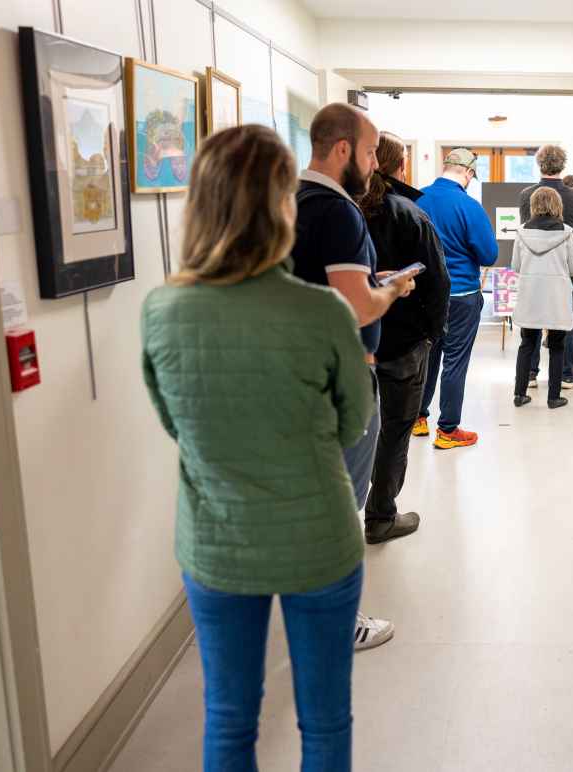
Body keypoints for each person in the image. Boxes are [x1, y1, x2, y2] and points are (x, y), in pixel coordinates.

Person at [141, 125, 373, 771]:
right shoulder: (323, 312)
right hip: (318, 542)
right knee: (325, 722)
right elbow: (356, 420)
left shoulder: (162, 309)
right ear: (280, 204)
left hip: (217, 545)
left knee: (229, 717)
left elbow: (174, 422)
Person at [290, 103, 416, 651]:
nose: (372, 164)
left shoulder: (290, 201)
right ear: (343, 150)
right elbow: (356, 309)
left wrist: (370, 279)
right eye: (369, 153)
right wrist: (392, 289)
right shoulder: (339, 212)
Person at [359, 132, 451, 543]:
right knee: (395, 428)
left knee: (349, 429)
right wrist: (431, 335)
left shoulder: (344, 210)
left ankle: (341, 517)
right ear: (399, 167)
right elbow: (438, 282)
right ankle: (380, 516)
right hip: (403, 342)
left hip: (354, 337)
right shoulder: (410, 213)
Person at [414, 148, 499, 449]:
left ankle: (418, 417)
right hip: (461, 295)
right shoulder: (469, 206)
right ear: (469, 173)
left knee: (428, 356)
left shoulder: (417, 199)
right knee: (454, 361)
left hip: (423, 295)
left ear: (445, 166)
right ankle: (448, 430)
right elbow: (489, 254)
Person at [518, 145, 573, 389]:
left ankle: (530, 374)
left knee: (531, 322)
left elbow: (525, 228)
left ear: (539, 164)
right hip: (564, 268)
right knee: (565, 320)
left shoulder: (527, 194)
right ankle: (567, 373)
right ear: (563, 164)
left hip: (534, 269)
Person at [512, 187, 573, 410]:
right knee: (557, 346)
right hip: (556, 296)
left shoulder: (522, 232)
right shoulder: (567, 233)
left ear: (533, 206)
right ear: (557, 205)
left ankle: (519, 394)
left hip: (530, 294)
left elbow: (516, 266)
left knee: (527, 343)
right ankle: (553, 397)